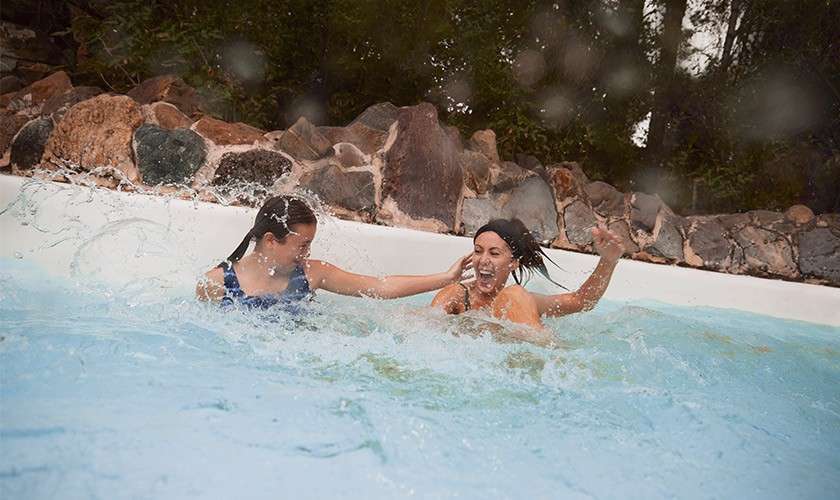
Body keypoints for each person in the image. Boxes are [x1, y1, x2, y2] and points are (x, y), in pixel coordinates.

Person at [196, 195, 472, 311]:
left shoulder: (313, 274)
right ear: (270, 241)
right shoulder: (216, 284)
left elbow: (379, 286)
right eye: (302, 245)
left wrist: (446, 277)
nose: (307, 253)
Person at [431, 218, 624, 344]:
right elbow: (423, 326)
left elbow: (581, 301)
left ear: (514, 262)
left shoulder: (520, 300)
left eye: (494, 253)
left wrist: (608, 261)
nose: (483, 260)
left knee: (513, 294)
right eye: (478, 251)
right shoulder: (457, 295)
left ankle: (554, 351)